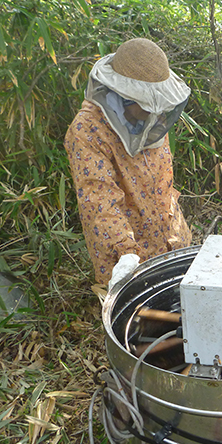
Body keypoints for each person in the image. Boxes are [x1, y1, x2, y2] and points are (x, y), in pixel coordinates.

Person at [64, 38, 192, 289]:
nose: (157, 113)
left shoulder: (154, 120)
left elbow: (163, 179)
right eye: (149, 105)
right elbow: (98, 198)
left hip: (170, 237)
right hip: (128, 253)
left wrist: (176, 236)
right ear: (126, 97)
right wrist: (125, 251)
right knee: (138, 311)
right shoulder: (87, 129)